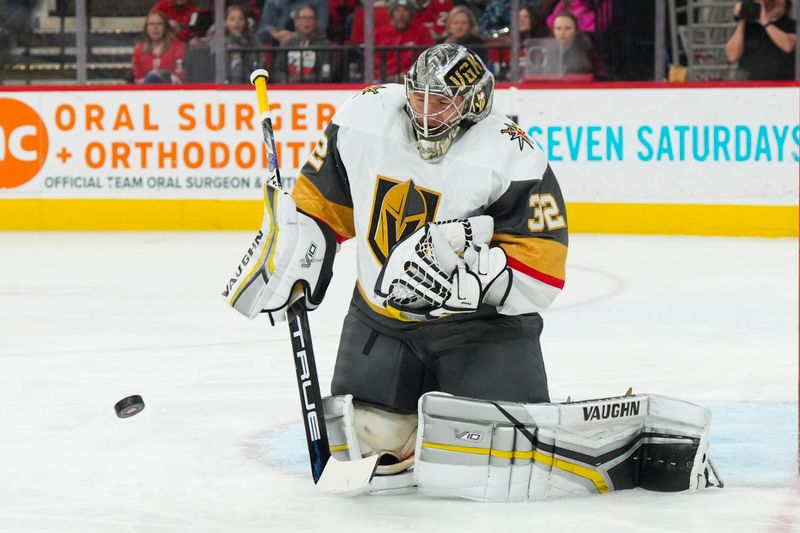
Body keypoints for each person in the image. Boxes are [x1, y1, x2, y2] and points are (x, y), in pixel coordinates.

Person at [225, 43, 568, 478]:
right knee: (366, 438)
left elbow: (544, 266)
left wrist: (480, 281)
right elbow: (322, 204)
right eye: (418, 96)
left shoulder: (512, 155)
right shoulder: (363, 118)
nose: (425, 112)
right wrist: (299, 245)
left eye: (441, 101)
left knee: (500, 453)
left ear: (473, 103)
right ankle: (405, 420)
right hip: (380, 319)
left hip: (477, 330)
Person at [724, 0, 796, 80]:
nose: (778, 3)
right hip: (750, 85)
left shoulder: (791, 25)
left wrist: (765, 22)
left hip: (782, 86)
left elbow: (788, 45)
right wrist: (743, 17)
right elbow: (732, 56)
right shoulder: (749, 26)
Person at [374, 0, 435, 81]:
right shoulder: (379, 33)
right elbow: (373, 62)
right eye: (397, 10)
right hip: (384, 80)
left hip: (413, 79)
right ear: (392, 14)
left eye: (405, 10)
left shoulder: (422, 31)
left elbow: (429, 59)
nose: (401, 14)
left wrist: (408, 74)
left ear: (411, 14)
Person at [272, 4, 335, 82]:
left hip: (315, 91)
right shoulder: (287, 44)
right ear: (296, 21)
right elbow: (277, 72)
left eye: (310, 18)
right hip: (289, 90)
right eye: (303, 18)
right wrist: (288, 80)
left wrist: (303, 80)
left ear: (315, 22)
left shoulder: (325, 46)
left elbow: (326, 75)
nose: (307, 21)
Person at [132, 10, 186, 84]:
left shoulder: (178, 47)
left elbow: (180, 75)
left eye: (159, 24)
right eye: (151, 24)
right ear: (146, 28)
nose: (155, 27)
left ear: (165, 27)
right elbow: (138, 76)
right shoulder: (138, 48)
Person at [552, 10, 603, 78]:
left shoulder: (588, 51)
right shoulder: (545, 50)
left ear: (576, 31)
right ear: (553, 30)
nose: (562, 33)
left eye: (567, 28)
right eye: (558, 29)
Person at [256, 0, 329, 45]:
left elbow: (321, 27)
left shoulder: (318, 1)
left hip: (314, 45)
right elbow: (262, 32)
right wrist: (275, 33)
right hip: (278, 47)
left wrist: (294, 36)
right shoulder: (272, 2)